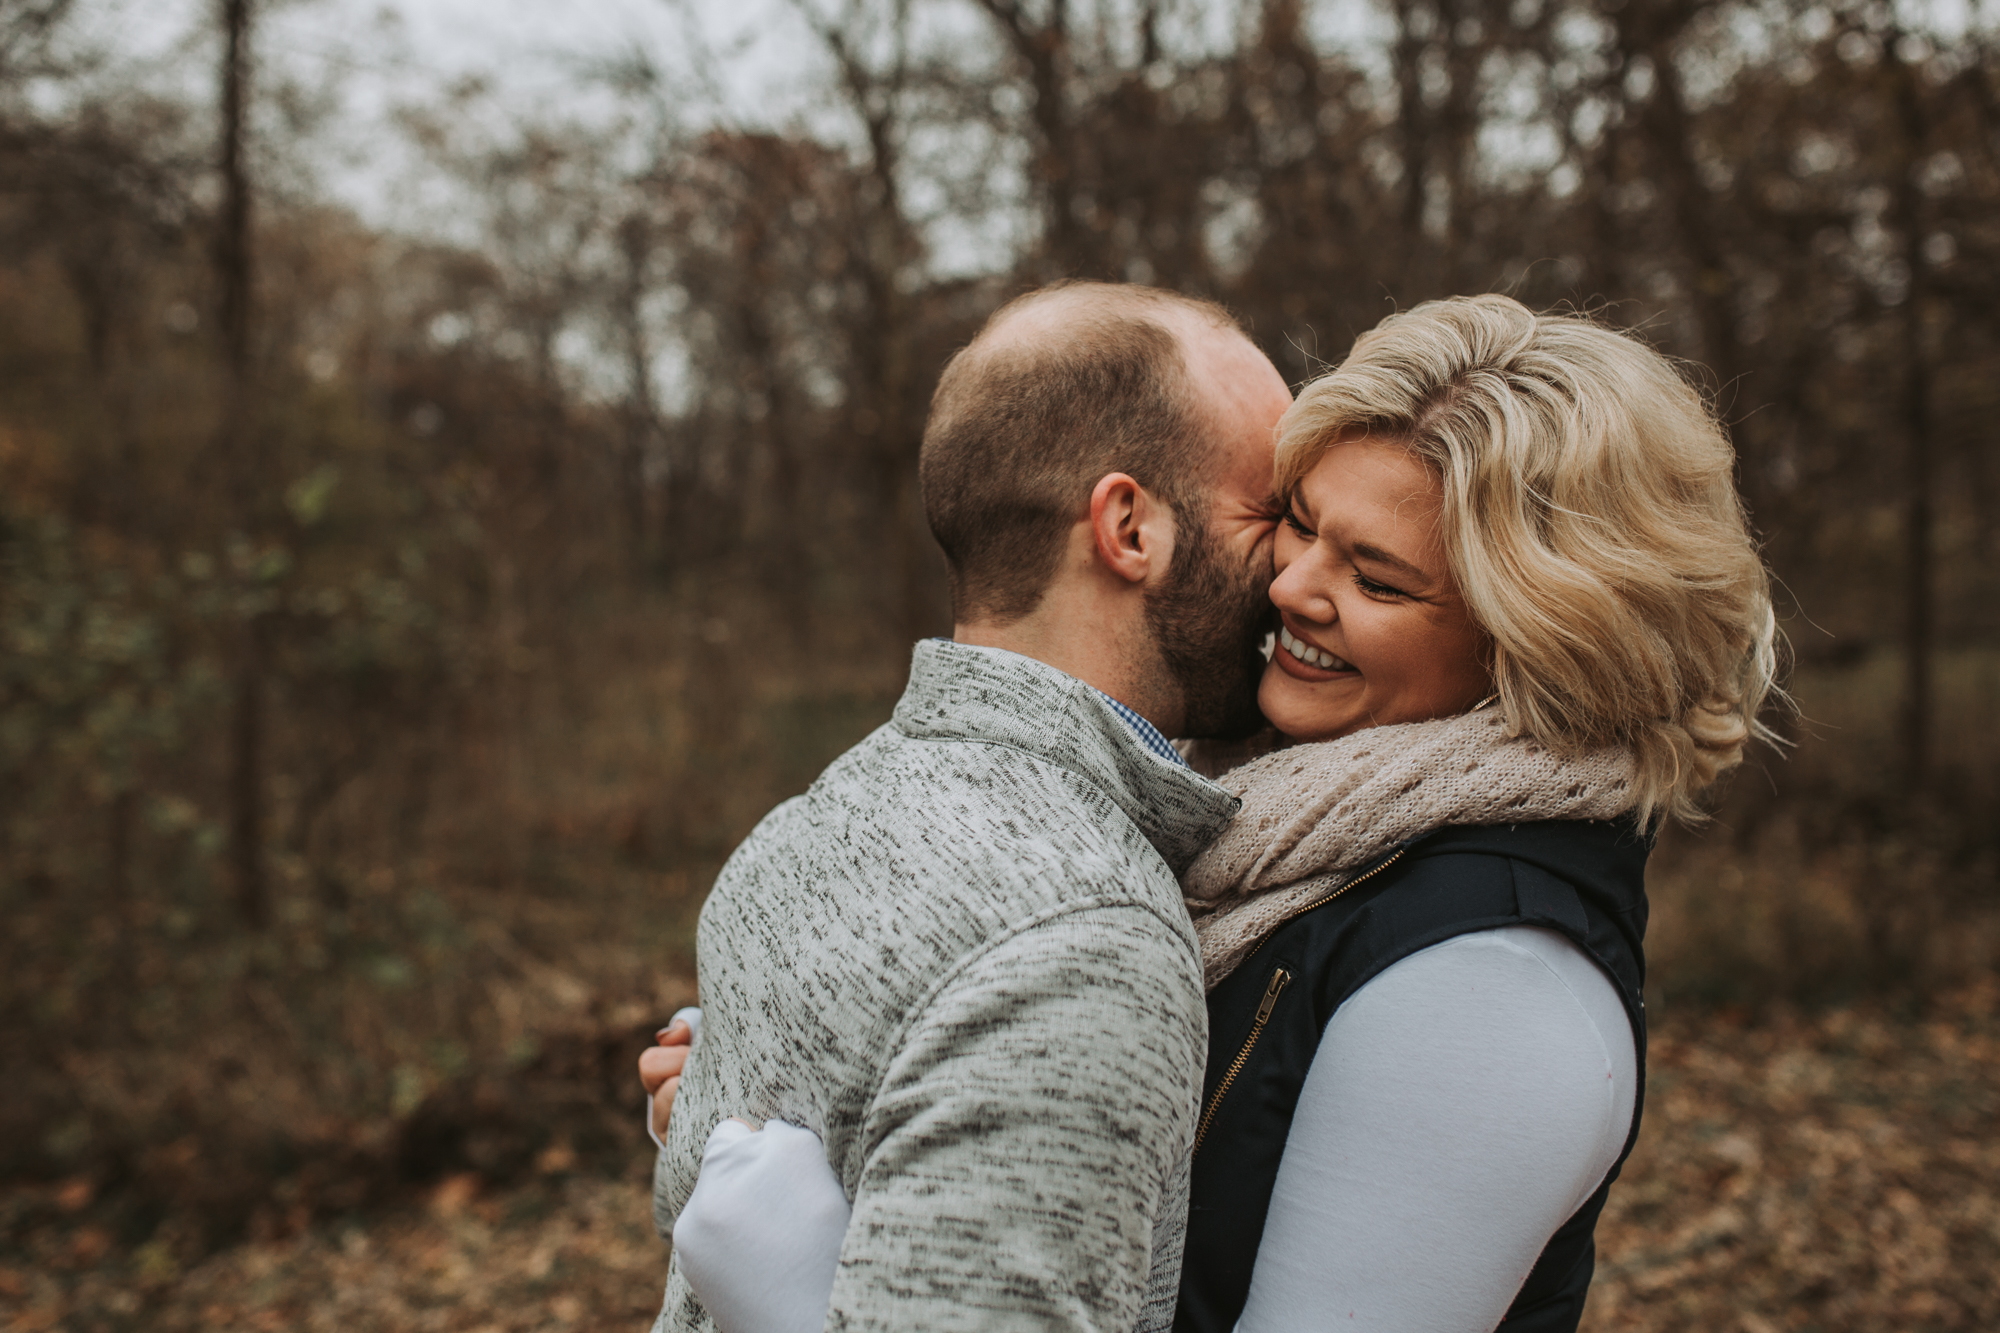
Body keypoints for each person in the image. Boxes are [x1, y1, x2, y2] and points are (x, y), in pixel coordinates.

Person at [645, 293, 1780, 1333]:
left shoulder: (1492, 974)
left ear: (1533, 642)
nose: (1290, 586)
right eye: (1295, 520)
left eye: (1375, 579)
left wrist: (790, 1288)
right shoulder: (1251, 821)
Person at [641, 280, 1295, 1333]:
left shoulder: (802, 827)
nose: (1298, 568)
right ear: (1129, 526)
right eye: (1269, 512)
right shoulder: (1085, 937)